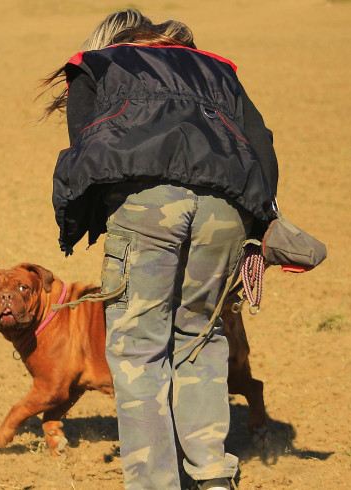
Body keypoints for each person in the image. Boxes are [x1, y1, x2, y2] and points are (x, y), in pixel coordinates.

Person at [41, 9, 279, 490]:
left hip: (149, 207)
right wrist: (261, 222)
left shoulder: (98, 62)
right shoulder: (217, 68)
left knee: (138, 351)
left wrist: (80, 222)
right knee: (202, 339)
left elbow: (86, 146)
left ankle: (154, 484)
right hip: (226, 210)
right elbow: (261, 143)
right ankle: (213, 475)